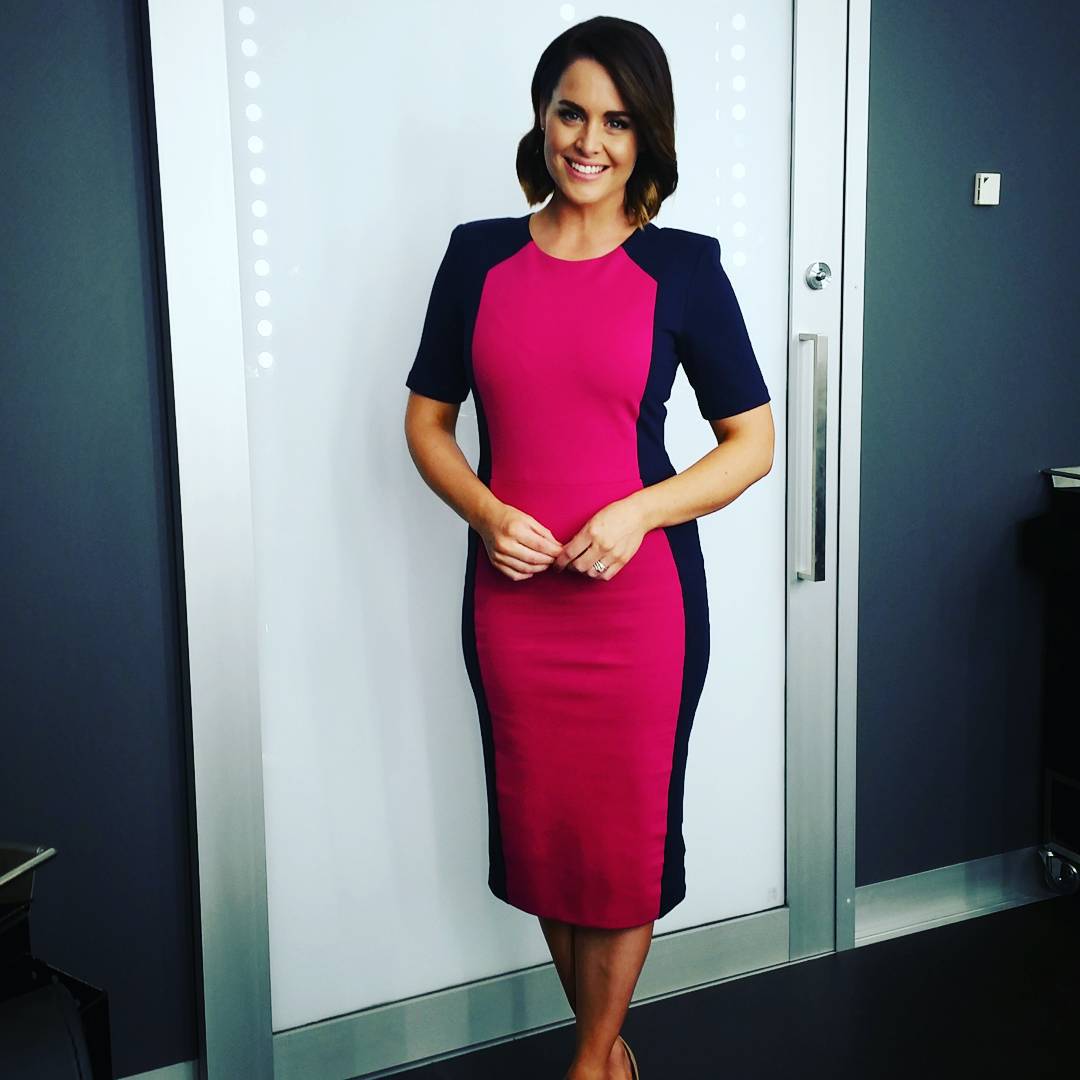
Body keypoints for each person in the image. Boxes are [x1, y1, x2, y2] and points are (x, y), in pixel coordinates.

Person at [403, 15, 774, 1080]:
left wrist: (641, 510)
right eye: (572, 112)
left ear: (646, 136)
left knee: (619, 848)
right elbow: (427, 424)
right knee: (551, 840)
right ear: (542, 114)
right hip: (513, 608)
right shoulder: (477, 258)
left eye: (617, 122)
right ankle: (605, 1055)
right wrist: (486, 513)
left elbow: (751, 444)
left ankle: (589, 1063)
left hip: (640, 612)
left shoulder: (682, 268)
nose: (589, 141)